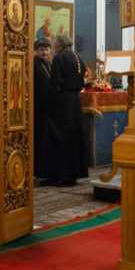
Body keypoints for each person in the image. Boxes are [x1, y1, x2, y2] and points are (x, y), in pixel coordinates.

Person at [45, 33, 89, 186]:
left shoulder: (59, 58)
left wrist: (49, 102)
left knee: (60, 138)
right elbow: (82, 82)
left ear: (58, 45)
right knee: (73, 138)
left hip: (62, 103)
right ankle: (72, 175)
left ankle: (60, 175)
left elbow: (55, 83)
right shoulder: (77, 58)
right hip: (75, 102)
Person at [33, 38, 57, 182]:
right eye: (42, 50)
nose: (45, 52)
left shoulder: (48, 64)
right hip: (38, 107)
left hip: (48, 107)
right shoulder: (33, 64)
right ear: (36, 51)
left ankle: (45, 170)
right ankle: (37, 170)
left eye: (47, 49)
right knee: (39, 138)